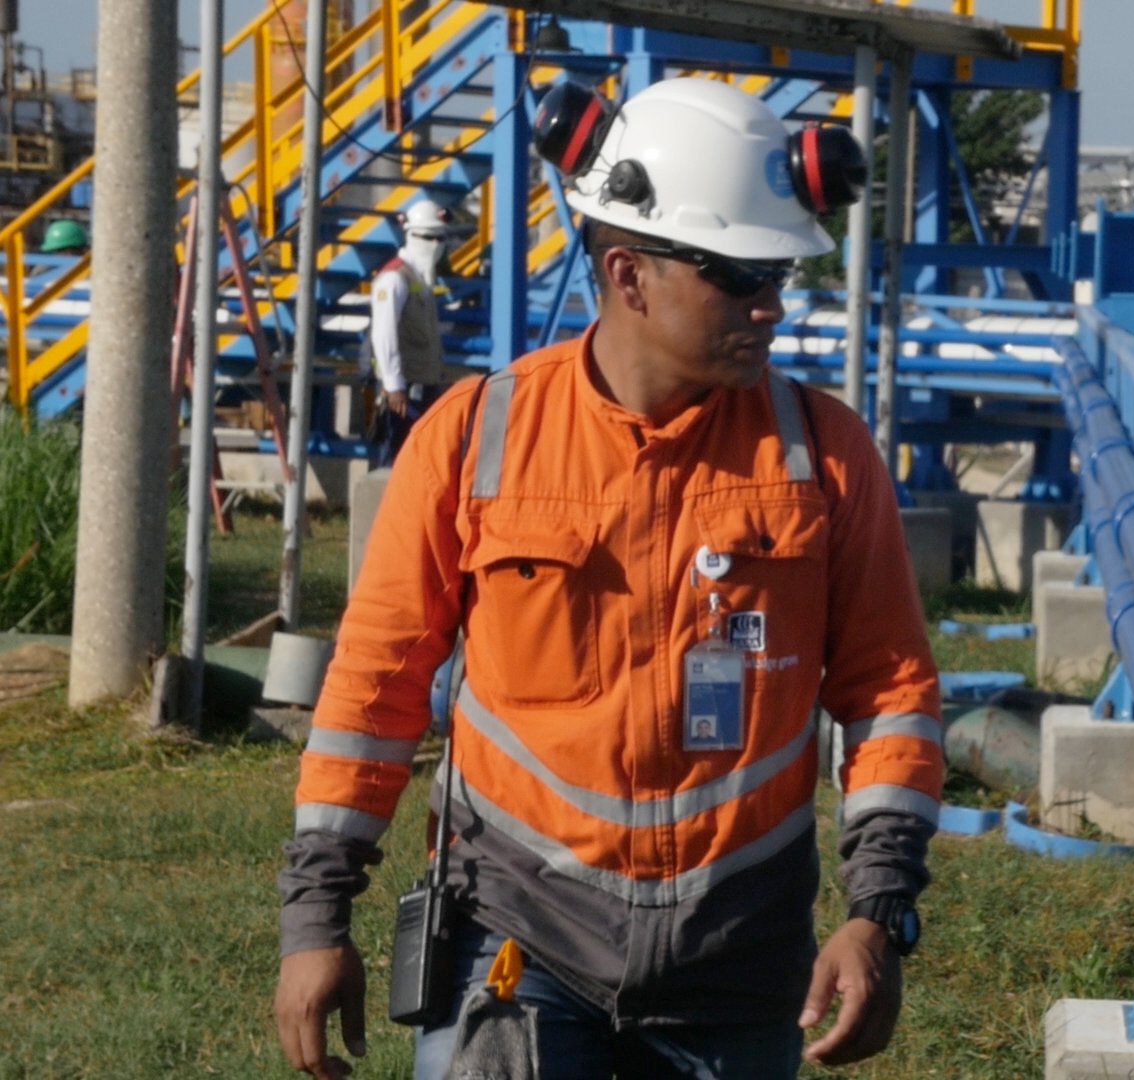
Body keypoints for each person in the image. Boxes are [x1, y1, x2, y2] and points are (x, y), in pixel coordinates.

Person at [272, 76, 943, 1080]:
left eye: (779, 277)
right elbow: (375, 688)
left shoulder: (824, 453)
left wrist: (879, 915)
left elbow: (892, 693)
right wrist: (318, 917)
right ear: (628, 274)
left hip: (738, 960)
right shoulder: (476, 441)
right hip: (517, 941)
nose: (770, 306)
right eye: (738, 276)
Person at [366, 200, 454, 467]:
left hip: (423, 387)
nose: (435, 244)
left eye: (440, 237)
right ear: (411, 235)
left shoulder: (420, 280)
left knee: (417, 460)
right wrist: (394, 386)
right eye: (429, 237)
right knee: (396, 460)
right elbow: (384, 333)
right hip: (403, 393)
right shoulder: (394, 279)